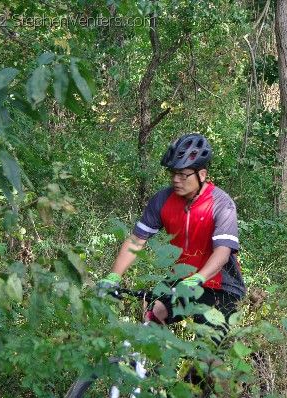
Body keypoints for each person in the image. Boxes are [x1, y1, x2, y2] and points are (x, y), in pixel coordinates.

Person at [97, 133, 246, 331]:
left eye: (183, 175)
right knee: (152, 314)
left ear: (201, 175)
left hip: (221, 287)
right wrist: (113, 276)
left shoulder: (221, 204)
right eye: (172, 173)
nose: (176, 180)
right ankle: (149, 361)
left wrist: (198, 278)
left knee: (208, 353)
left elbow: (222, 252)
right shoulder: (162, 200)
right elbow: (137, 240)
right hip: (182, 279)